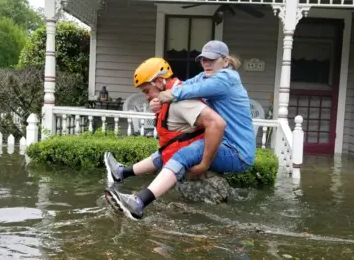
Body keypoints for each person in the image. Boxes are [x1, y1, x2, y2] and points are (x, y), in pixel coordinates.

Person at [104, 40, 256, 220]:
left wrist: (204, 165)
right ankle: (122, 172)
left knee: (184, 154)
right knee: (174, 148)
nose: (206, 63)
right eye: (203, 59)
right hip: (224, 143)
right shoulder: (205, 76)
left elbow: (195, 91)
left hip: (237, 152)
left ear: (225, 61)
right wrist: (157, 99)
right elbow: (184, 85)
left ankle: (139, 203)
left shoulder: (227, 78)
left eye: (212, 59)